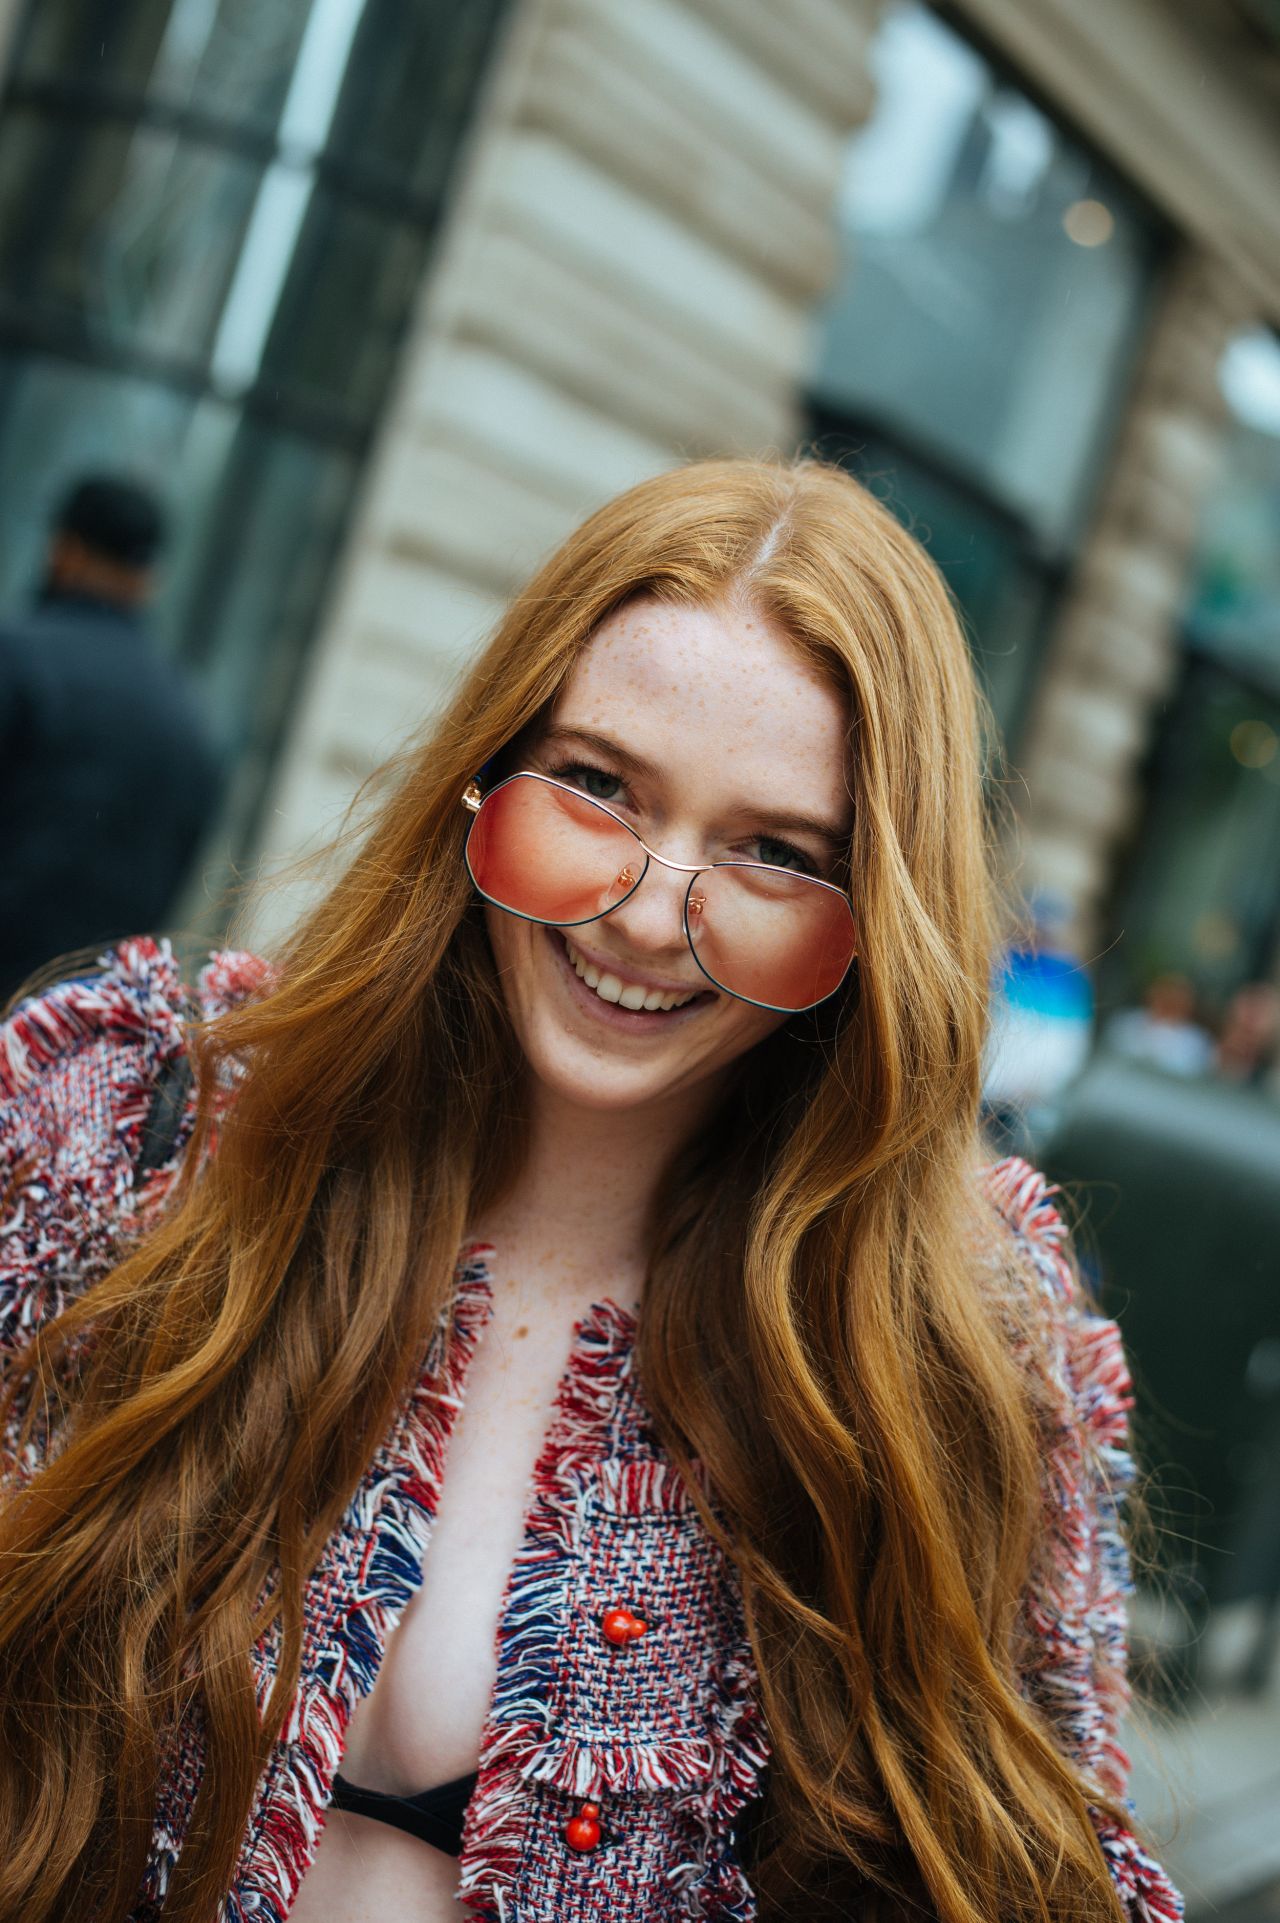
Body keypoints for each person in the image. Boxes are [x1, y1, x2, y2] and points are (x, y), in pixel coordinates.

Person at [0, 460, 1181, 1923]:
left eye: (772, 851)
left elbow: (1050, 1862)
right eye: (599, 785)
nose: (645, 905)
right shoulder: (128, 1126)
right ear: (485, 780)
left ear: (873, 917)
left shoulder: (964, 1345)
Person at [0, 472, 223, 1001]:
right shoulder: (190, 727)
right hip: (75, 1040)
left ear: (65, 550)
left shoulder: (19, 660)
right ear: (149, 579)